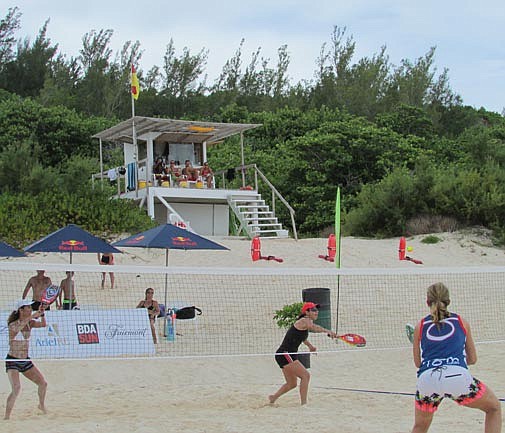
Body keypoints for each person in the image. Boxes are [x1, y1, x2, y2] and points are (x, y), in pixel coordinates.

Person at [410, 282, 501, 433]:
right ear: (448, 301)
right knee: (493, 408)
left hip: (427, 379)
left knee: (420, 427)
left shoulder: (420, 325)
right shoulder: (461, 322)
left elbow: (418, 363)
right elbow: (472, 359)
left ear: (427, 302)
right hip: (457, 377)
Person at [269, 302, 337, 405]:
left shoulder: (304, 323)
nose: (316, 312)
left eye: (317, 310)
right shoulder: (304, 320)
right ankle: (304, 404)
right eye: (313, 310)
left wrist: (310, 346)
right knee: (306, 376)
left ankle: (273, 398)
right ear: (306, 312)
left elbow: (302, 338)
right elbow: (313, 327)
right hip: (285, 354)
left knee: (292, 384)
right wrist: (328, 331)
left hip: (287, 354)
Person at [4, 299, 48, 420]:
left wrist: (42, 314)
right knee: (16, 388)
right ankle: (7, 417)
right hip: (13, 360)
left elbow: (44, 324)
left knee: (43, 384)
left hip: (25, 360)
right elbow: (18, 326)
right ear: (21, 310)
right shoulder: (13, 324)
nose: (30, 309)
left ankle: (41, 405)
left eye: (30, 307)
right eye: (28, 307)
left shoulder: (30, 323)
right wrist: (34, 315)